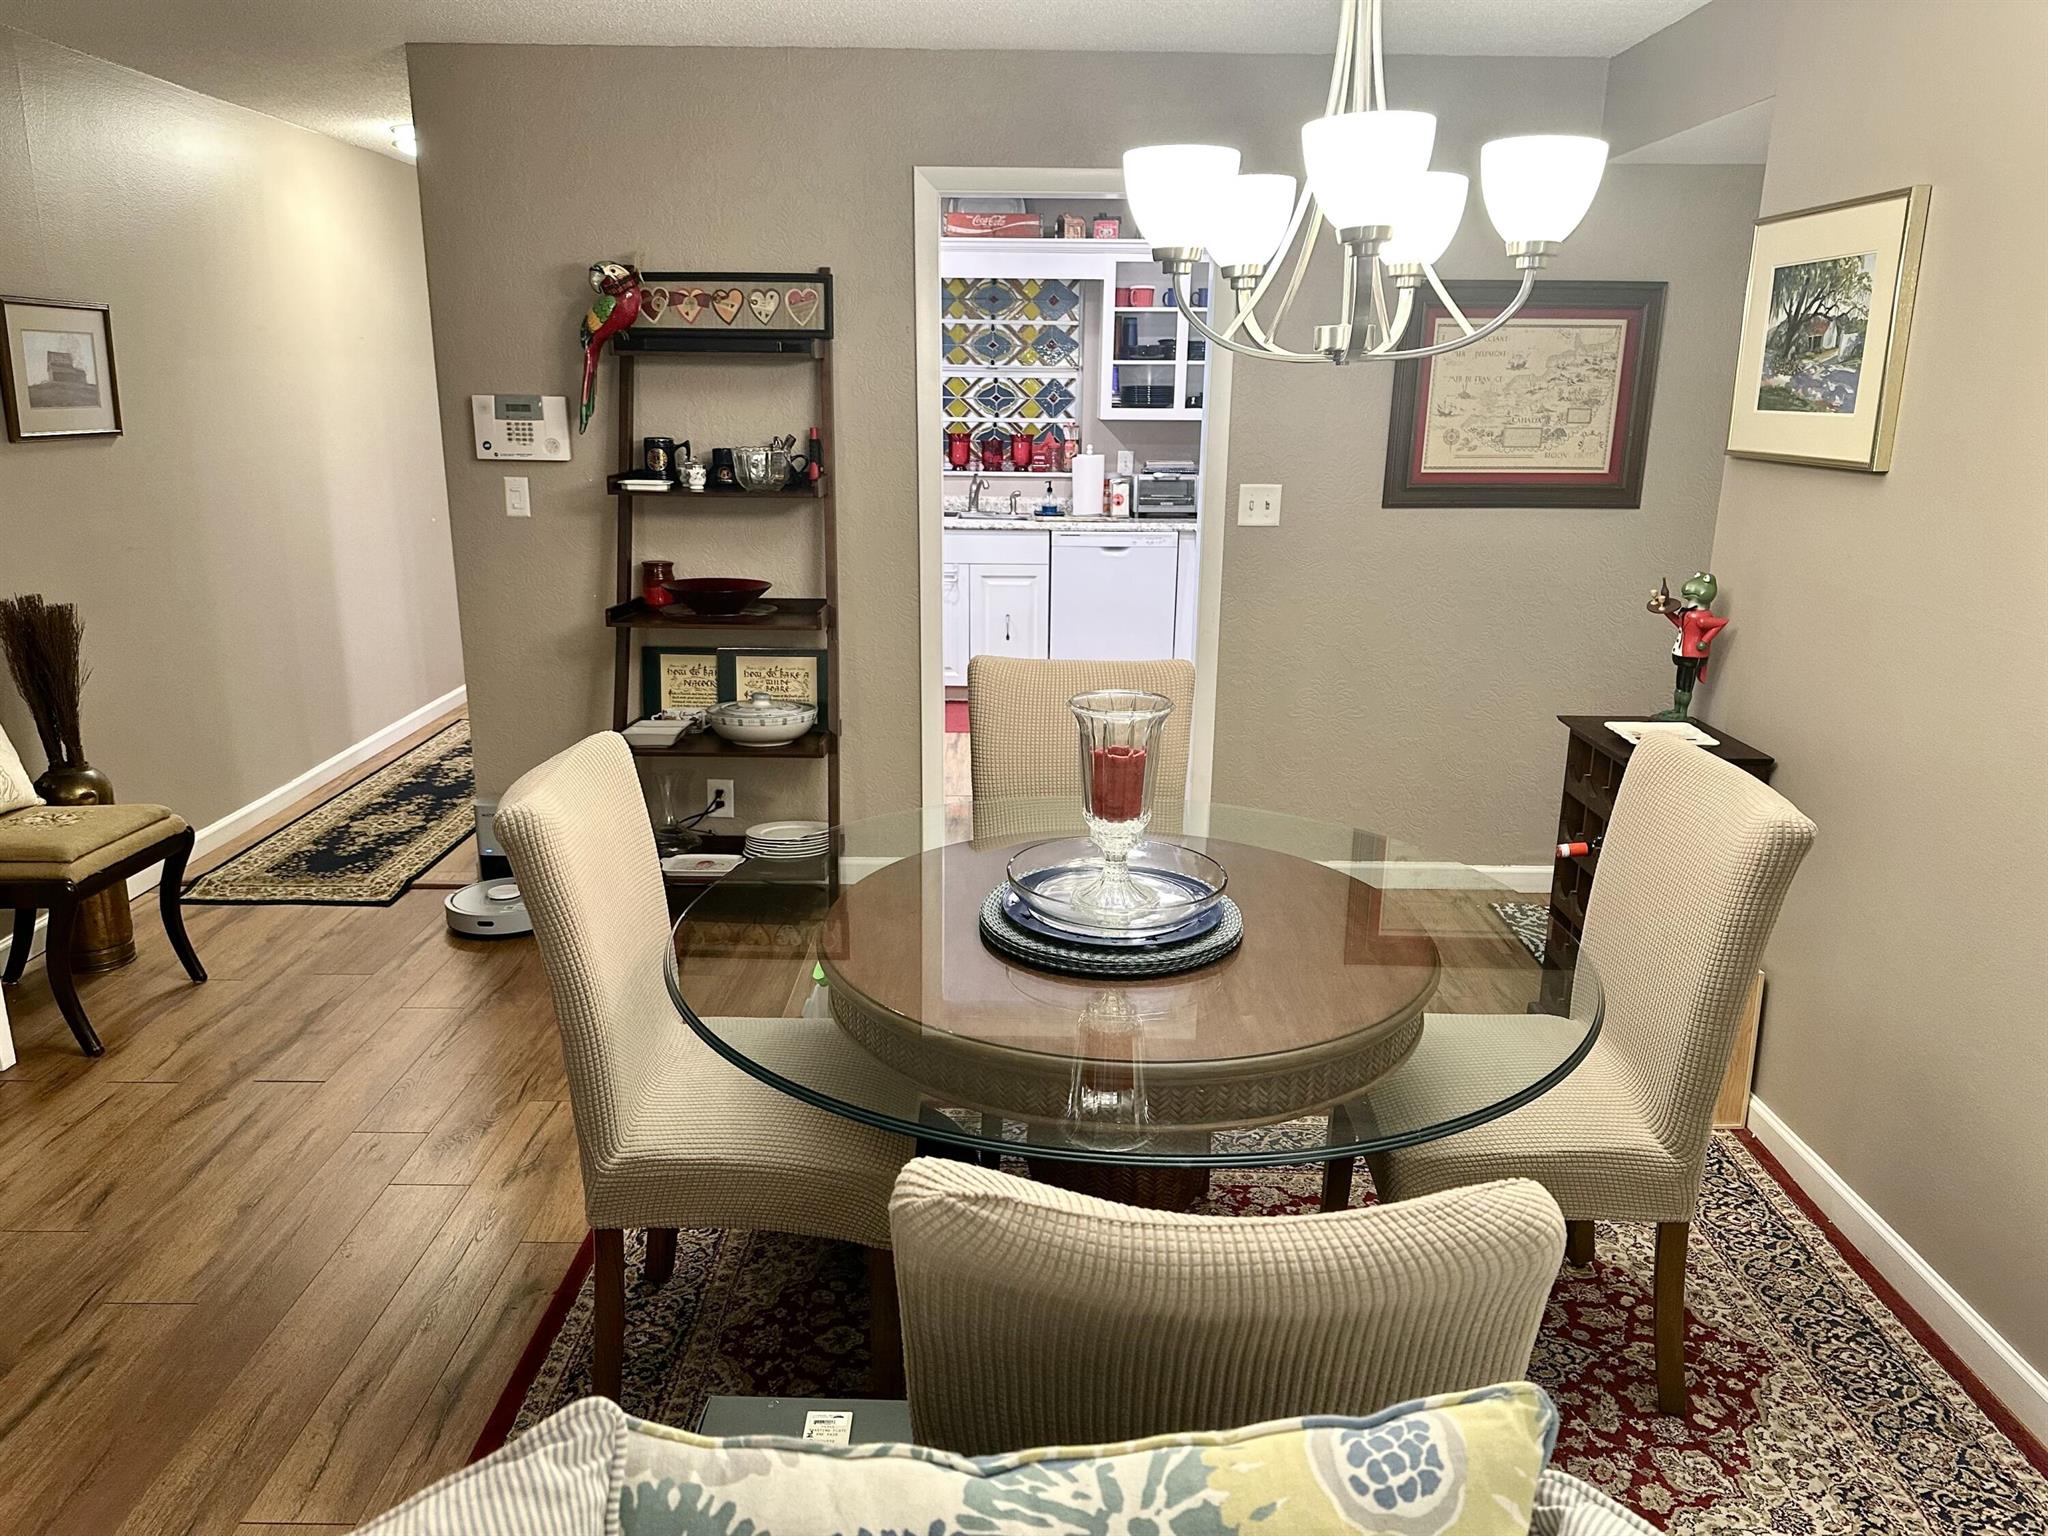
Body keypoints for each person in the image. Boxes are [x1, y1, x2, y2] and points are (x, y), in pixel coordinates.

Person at [1646, 572, 1729, 720]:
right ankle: (1676, 709)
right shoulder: (1688, 614)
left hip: (1692, 656)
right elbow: (1680, 624)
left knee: (1686, 684)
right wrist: (1666, 612)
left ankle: (1682, 713)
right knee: (1679, 684)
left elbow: (1721, 622)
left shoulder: (1701, 617)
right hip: (1682, 653)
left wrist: (1705, 640)